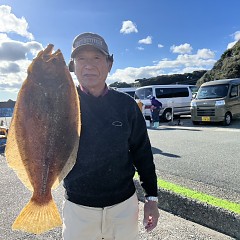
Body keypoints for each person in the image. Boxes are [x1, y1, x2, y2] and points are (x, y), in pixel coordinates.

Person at [63, 32, 159, 240]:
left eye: (96, 58)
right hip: (77, 208)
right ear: (73, 66)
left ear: (109, 64)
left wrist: (152, 199)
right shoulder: (62, 104)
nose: (88, 65)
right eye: (81, 59)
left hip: (123, 207)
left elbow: (142, 153)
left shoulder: (126, 105)